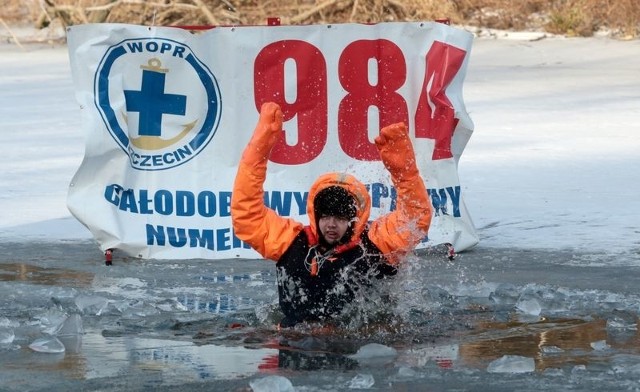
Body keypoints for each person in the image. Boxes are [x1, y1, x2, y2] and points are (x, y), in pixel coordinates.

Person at [231, 102, 432, 328]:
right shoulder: (291, 242)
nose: (331, 224)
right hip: (294, 342)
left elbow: (416, 217)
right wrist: (259, 149)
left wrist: (403, 171)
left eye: (340, 218)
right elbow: (247, 216)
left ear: (353, 219)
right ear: (316, 215)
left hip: (350, 348)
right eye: (325, 216)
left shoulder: (375, 245)